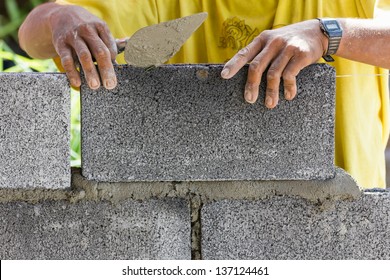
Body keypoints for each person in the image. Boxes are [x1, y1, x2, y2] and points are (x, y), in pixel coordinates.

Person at [18, 0, 390, 189]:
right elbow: (31, 36)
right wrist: (60, 20)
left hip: (339, 213)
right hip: (192, 231)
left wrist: (330, 32)